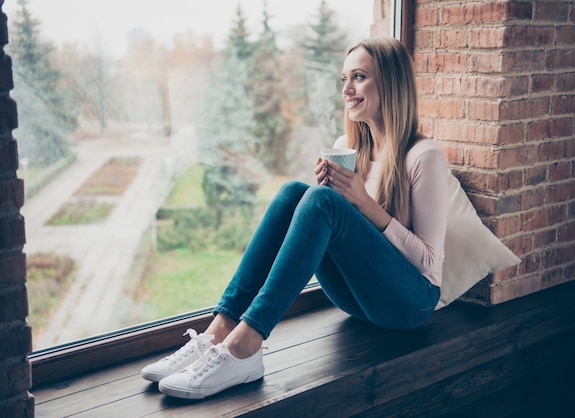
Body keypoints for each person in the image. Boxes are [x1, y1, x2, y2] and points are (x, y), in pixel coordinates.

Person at [141, 36, 449, 400]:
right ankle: (218, 330)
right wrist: (334, 201)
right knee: (293, 193)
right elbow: (349, 240)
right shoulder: (349, 147)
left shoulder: (423, 155)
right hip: (357, 300)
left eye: (359, 77)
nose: (347, 88)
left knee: (318, 200)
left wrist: (362, 203)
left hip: (410, 305)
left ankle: (246, 346)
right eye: (344, 79)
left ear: (391, 83)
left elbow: (429, 264)